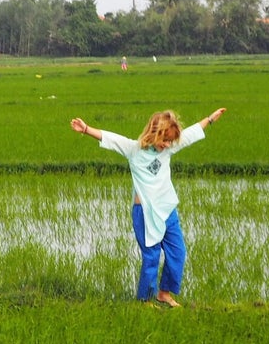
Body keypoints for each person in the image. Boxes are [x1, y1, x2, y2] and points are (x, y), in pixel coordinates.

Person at [70, 106, 226, 306]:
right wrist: (86, 129)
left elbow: (190, 134)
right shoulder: (134, 149)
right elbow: (110, 138)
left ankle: (164, 293)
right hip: (144, 213)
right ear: (154, 133)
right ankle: (145, 300)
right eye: (165, 139)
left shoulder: (169, 148)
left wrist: (210, 119)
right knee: (151, 258)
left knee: (178, 253)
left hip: (167, 210)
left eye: (170, 141)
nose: (168, 144)